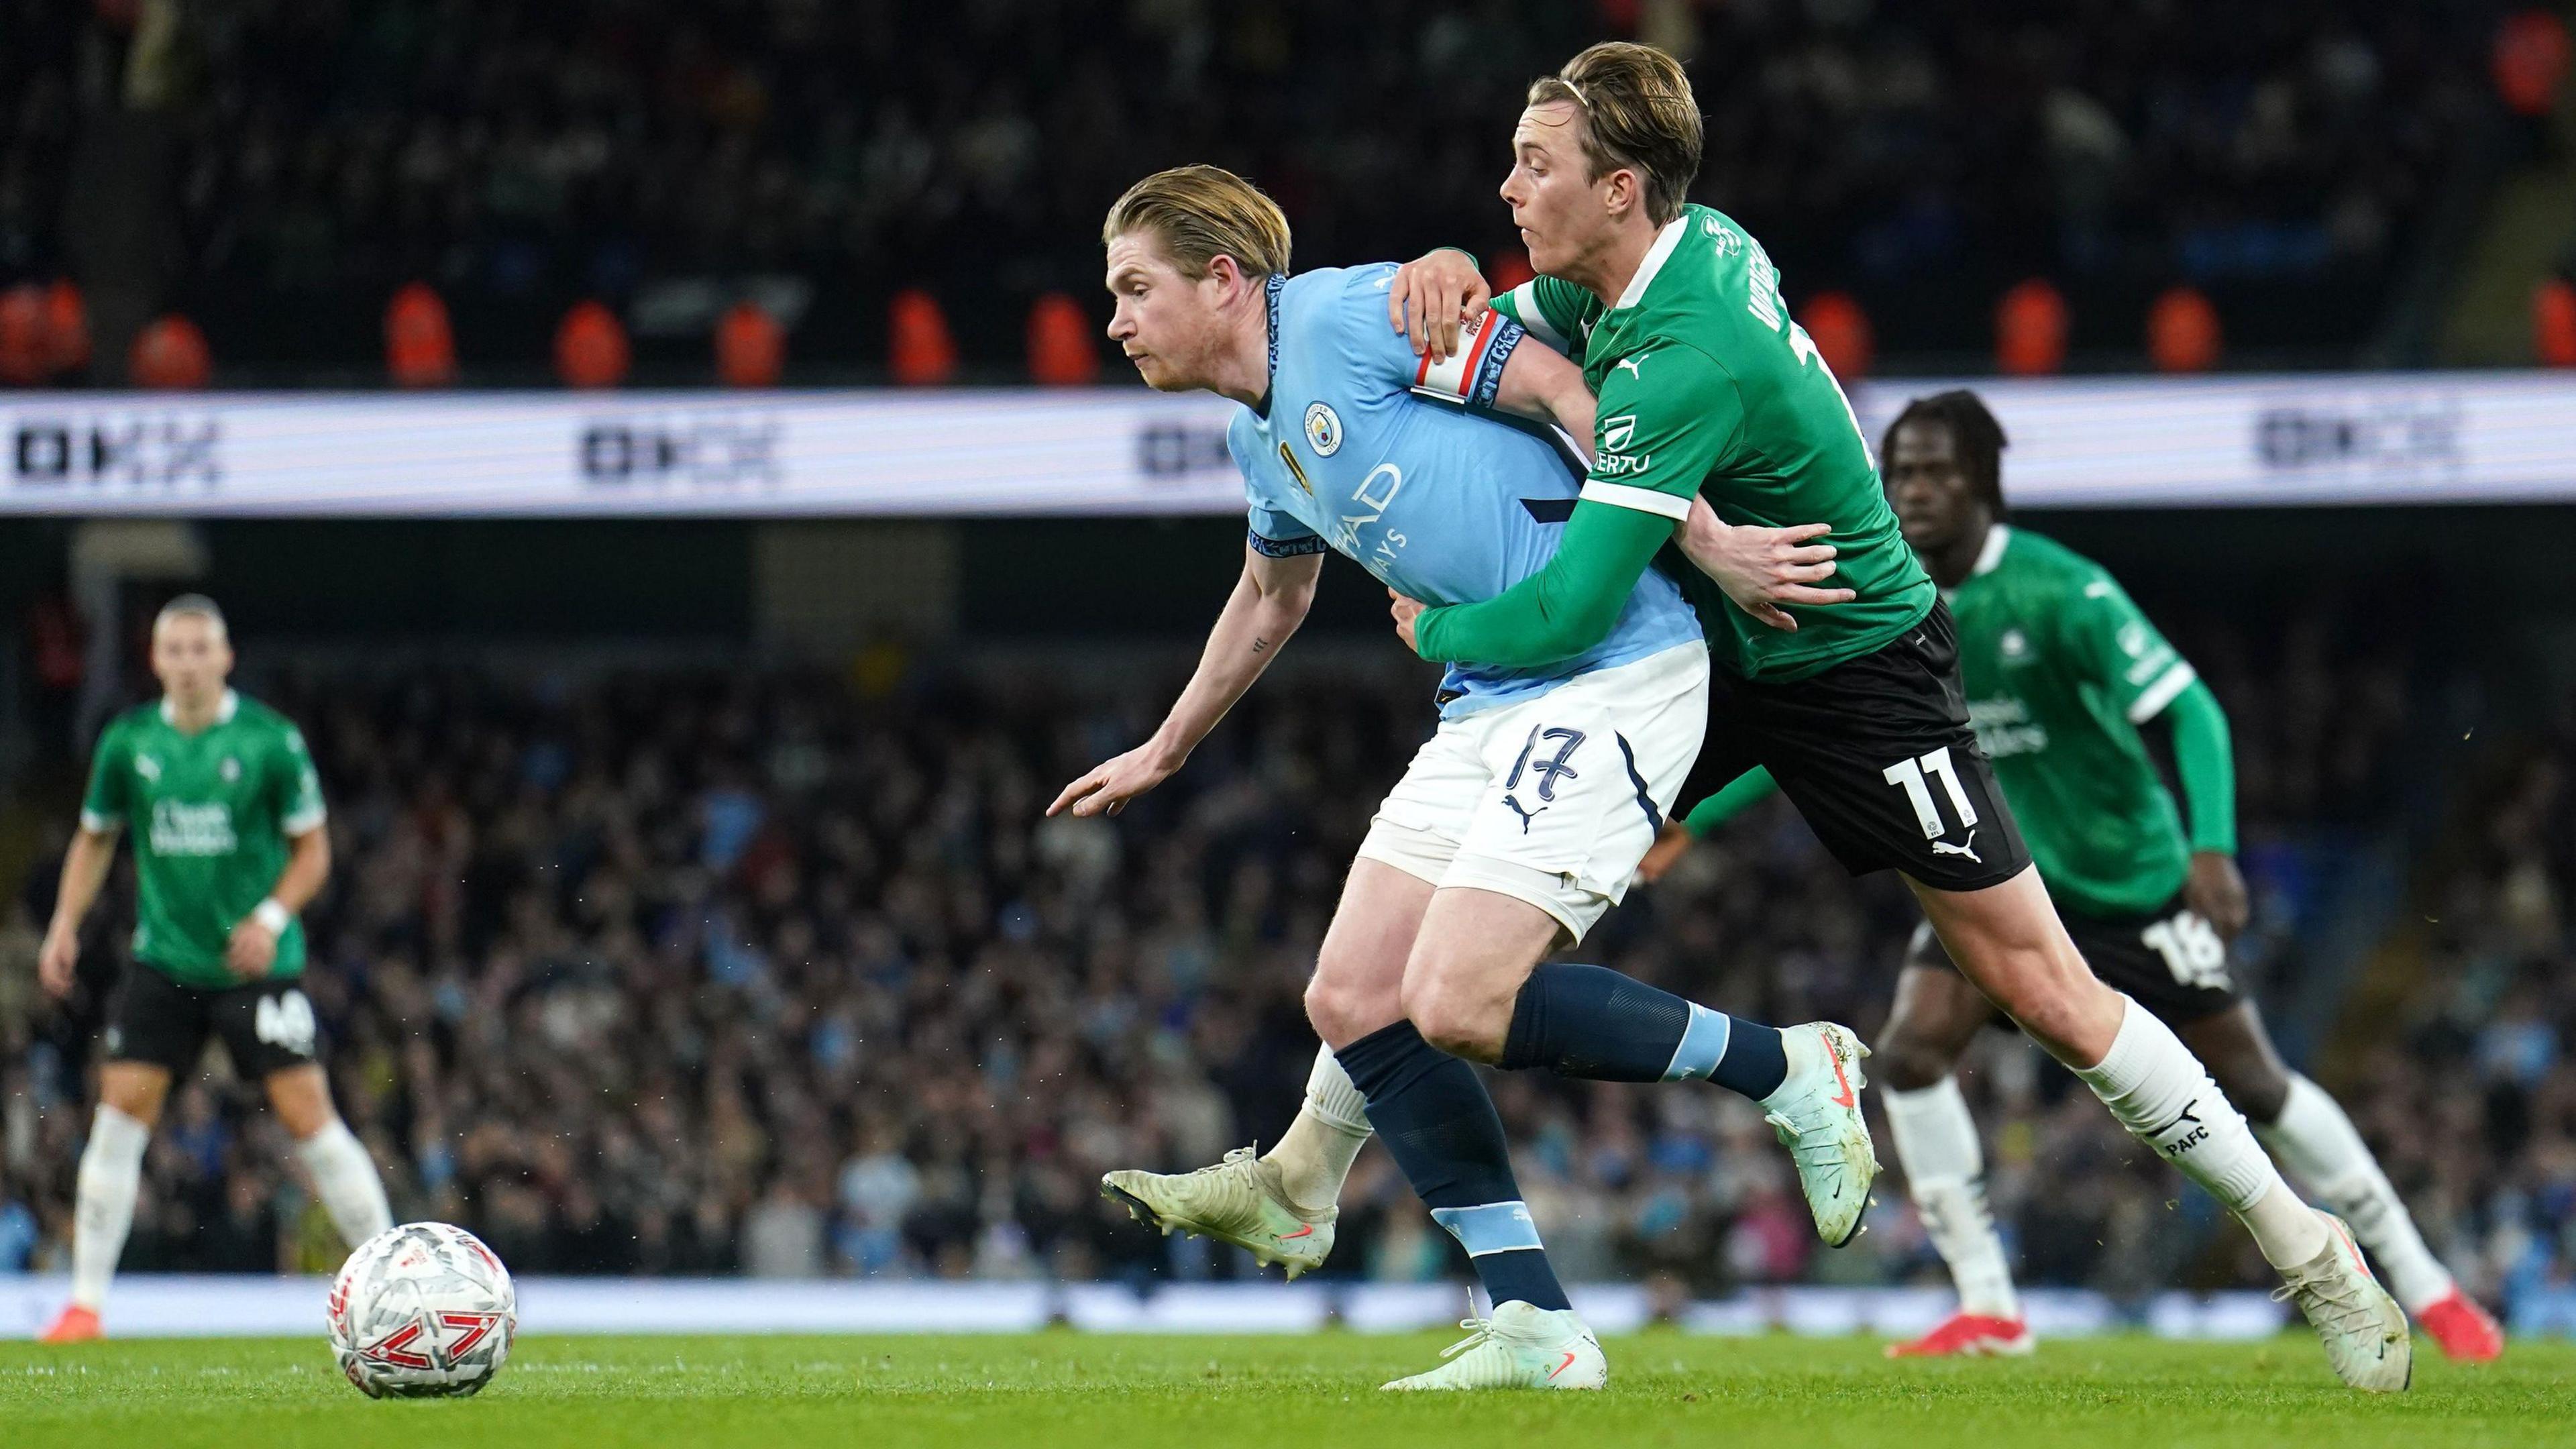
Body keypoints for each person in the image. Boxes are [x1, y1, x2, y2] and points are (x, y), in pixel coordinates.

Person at [1288, 40, 2406, 1391]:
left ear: (1624, 188)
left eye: (1537, 165)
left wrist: (1437, 631)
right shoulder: (1658, 261)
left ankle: (2310, 1254)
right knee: (1438, 936)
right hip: (1711, 656)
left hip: (1855, 669)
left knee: (2042, 988)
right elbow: (1516, 338)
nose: (1508, 188)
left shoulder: (1681, 351)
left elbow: (1573, 605)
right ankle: (1306, 1170)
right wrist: (1442, 271)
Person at [1063, 164, 1876, 1391]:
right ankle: (1532, 1322)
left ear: (1223, 280)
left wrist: (1706, 539)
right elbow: (1274, 596)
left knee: (1458, 1003)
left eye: (1136, 289)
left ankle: (1787, 1067)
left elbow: (1558, 383)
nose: (1114, 320)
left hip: (1614, 666)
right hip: (1489, 696)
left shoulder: (1344, 318)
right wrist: (1169, 747)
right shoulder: (1257, 429)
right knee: (1352, 998)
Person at [1642, 390, 2505, 1362]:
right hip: (2004, 884)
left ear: (1987, 486)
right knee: (1916, 1051)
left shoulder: (2063, 591)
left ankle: (2425, 1283)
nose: (1914, 491)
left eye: (1937, 472)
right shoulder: (1880, 599)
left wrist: (2210, 846)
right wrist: (1689, 814)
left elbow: (2192, 711)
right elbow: (1805, 734)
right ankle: (1990, 1305)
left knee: (2259, 1081)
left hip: (2131, 887)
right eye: (1901, 472)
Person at [36, 595, 392, 1342]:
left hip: (256, 964)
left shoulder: (269, 741)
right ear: (156, 660)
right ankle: (85, 1306)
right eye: (177, 650)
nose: (190, 663)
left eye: (204, 649)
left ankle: (392, 1286)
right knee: (118, 1116)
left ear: (226, 658)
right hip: (163, 960)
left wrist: (269, 918)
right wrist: (65, 924)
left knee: (309, 1118)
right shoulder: (128, 743)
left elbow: (313, 852)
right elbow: (96, 838)